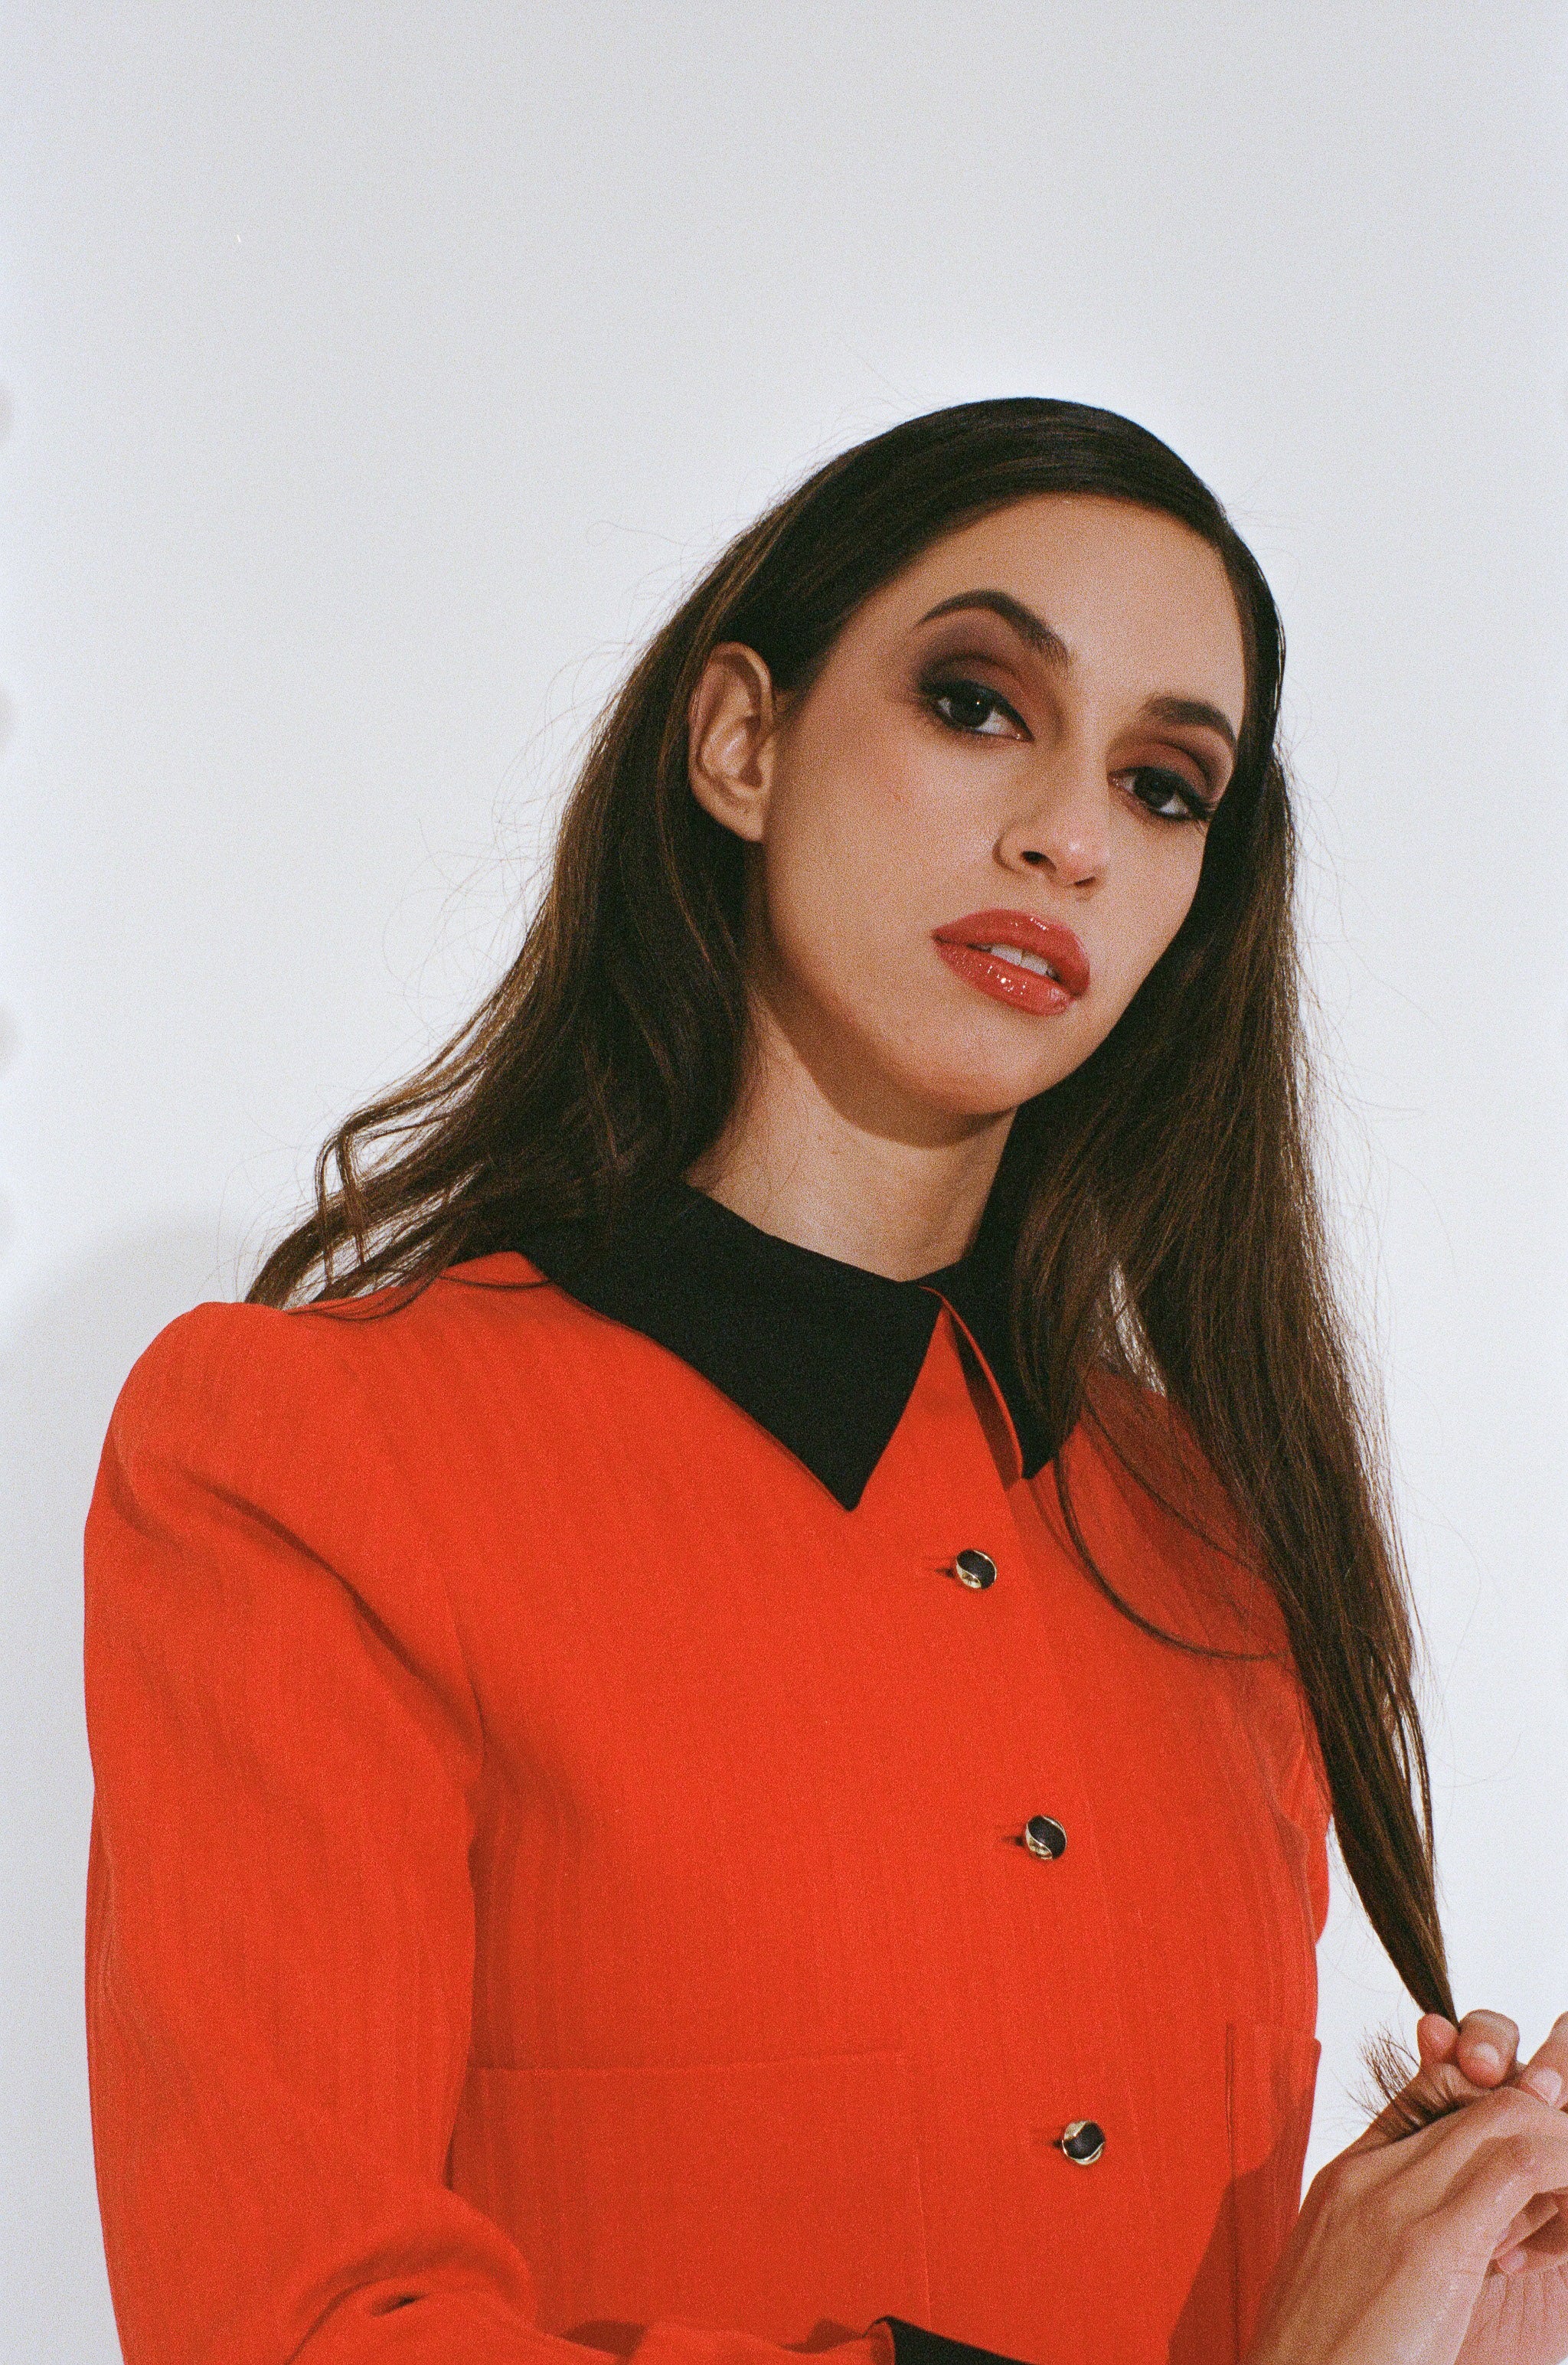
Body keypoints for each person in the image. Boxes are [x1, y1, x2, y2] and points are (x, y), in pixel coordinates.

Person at [82, 398, 1567, 2365]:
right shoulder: (312, 1459)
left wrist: (1416, 2265)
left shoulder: (1209, 1535)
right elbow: (289, 2332)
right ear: (741, 739)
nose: (1067, 834)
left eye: (1163, 786)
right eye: (976, 702)